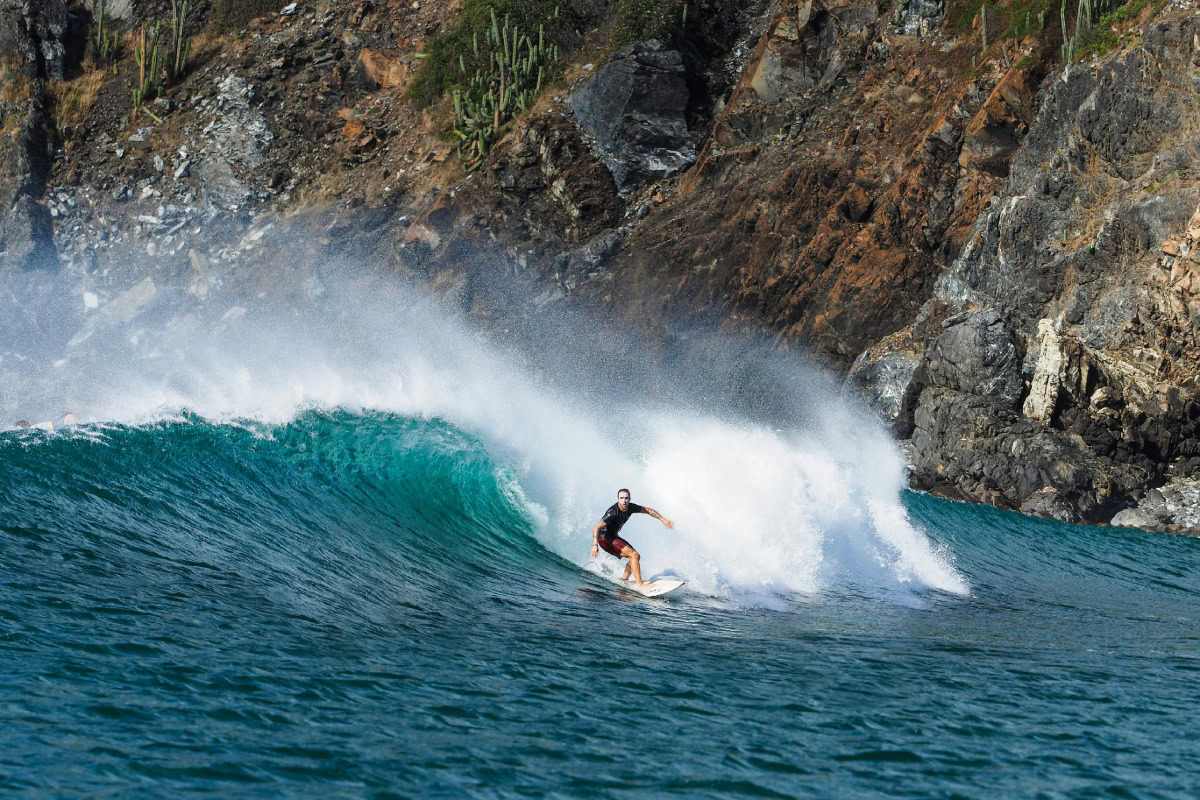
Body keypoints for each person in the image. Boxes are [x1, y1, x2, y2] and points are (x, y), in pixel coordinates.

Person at [590, 488, 674, 587]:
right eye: (621, 498)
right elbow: (596, 528)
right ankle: (640, 585)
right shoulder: (612, 512)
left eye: (626, 498)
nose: (624, 501)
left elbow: (648, 510)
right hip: (604, 539)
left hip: (613, 536)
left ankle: (624, 580)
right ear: (618, 499)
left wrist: (663, 519)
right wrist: (595, 545)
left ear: (630, 499)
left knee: (635, 557)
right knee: (634, 555)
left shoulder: (631, 507)